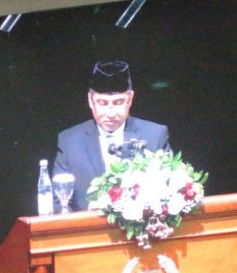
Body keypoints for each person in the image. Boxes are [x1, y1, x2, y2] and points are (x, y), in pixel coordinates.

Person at [53, 60, 171, 211]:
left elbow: (169, 189)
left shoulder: (154, 135)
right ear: (90, 100)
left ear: (130, 99)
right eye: (102, 103)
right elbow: (59, 201)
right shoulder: (69, 141)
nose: (110, 113)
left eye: (118, 102)